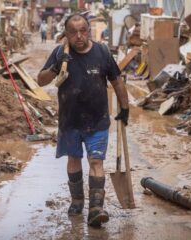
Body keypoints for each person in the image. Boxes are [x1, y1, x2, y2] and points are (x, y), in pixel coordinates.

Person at [37, 14, 129, 227]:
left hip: (97, 121)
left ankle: (96, 207)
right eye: (73, 32)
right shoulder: (60, 53)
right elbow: (41, 81)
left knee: (96, 161)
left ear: (89, 30)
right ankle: (77, 200)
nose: (79, 36)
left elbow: (117, 81)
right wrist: (56, 66)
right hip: (70, 121)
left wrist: (125, 108)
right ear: (66, 34)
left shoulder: (102, 52)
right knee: (74, 159)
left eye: (83, 31)